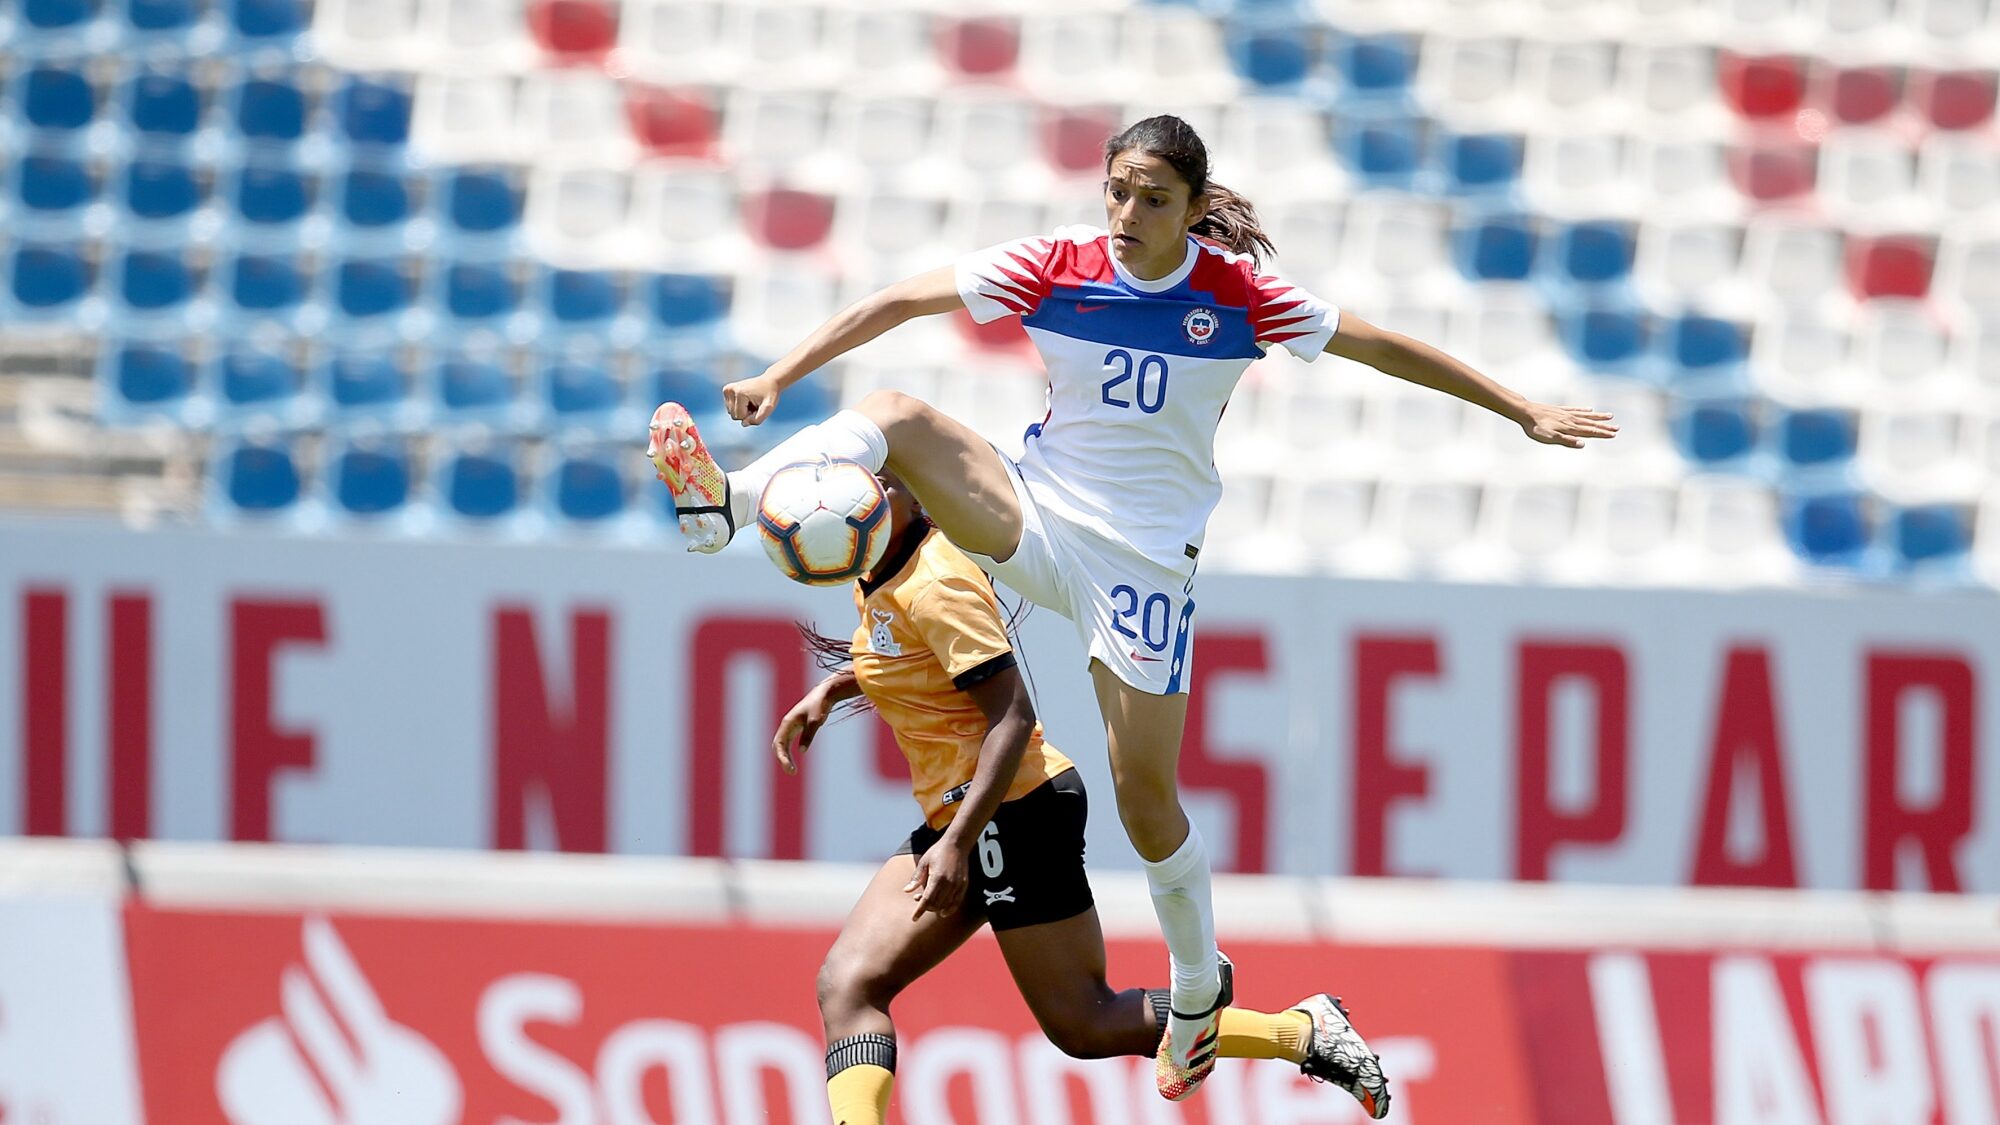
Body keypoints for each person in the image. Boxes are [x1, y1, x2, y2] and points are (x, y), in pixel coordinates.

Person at [649, 113, 1615, 1103]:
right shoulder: (1056, 263)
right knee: (892, 415)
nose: (1126, 213)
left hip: (1143, 574)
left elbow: (1382, 347)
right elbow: (902, 296)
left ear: (1194, 209)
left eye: (1152, 197)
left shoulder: (1236, 295)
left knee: (1143, 799)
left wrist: (1522, 410)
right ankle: (726, 508)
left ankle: (1199, 989)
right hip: (1031, 516)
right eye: (1116, 190)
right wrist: (777, 376)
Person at [784, 468, 1389, 1125]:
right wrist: (836, 688)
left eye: (883, 482)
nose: (863, 498)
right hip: (970, 815)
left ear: (912, 493)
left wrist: (959, 842)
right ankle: (1301, 1032)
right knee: (849, 982)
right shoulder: (882, 564)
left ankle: (1298, 1033)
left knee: (1084, 1021)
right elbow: (915, 655)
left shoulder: (936, 579)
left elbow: (1011, 716)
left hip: (1006, 812)